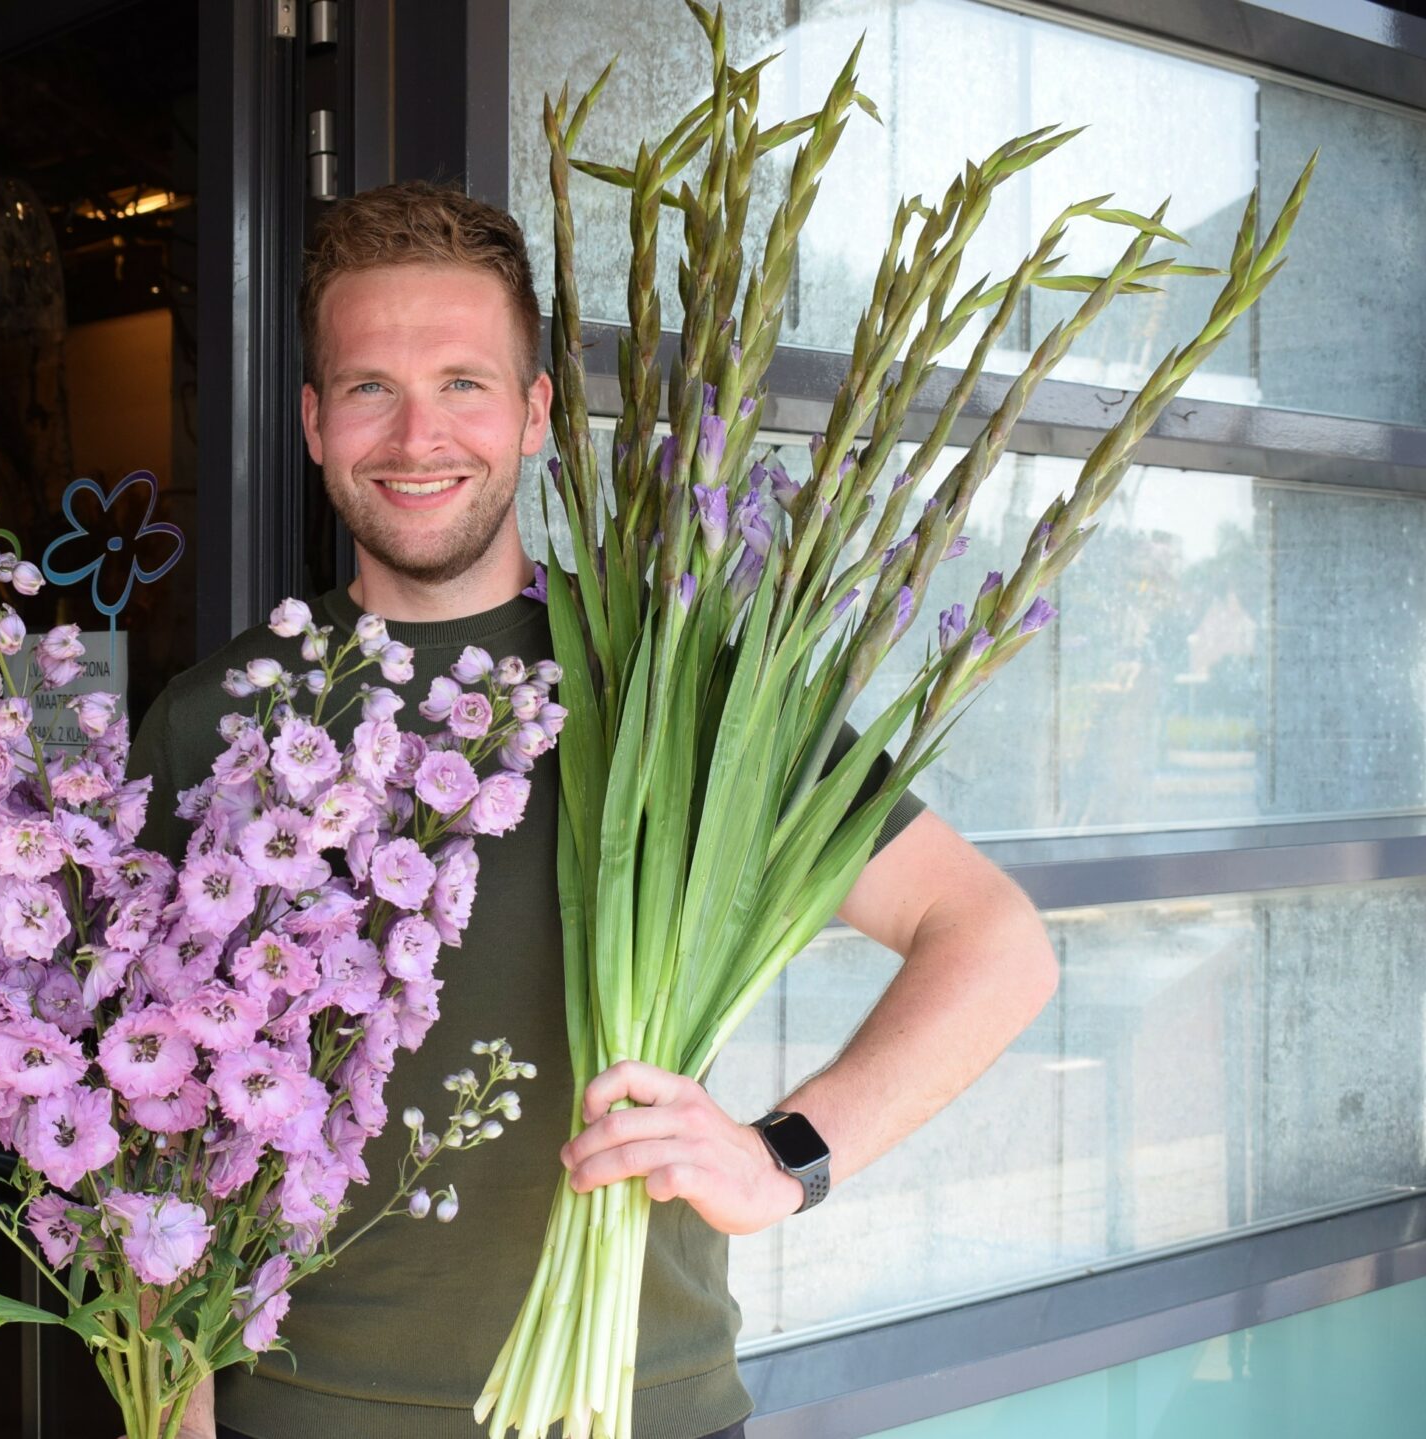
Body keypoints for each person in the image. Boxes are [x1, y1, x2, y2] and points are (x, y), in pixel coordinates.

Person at [127, 180, 1060, 1439]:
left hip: (633, 1404)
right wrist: (171, 1403)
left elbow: (991, 936)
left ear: (532, 412)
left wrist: (784, 1155)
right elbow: (152, 1103)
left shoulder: (667, 686)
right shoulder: (209, 716)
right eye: (368, 388)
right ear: (311, 420)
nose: (417, 434)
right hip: (293, 1410)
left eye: (462, 382)